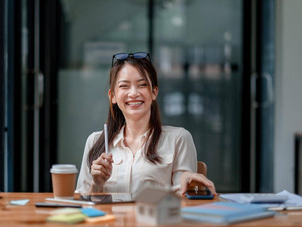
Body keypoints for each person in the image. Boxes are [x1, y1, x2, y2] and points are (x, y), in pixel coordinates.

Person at [75, 52, 216, 196]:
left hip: (156, 218)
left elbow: (184, 202)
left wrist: (186, 184)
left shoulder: (179, 139)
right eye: (124, 86)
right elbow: (82, 204)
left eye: (142, 85)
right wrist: (97, 184)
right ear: (113, 96)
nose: (133, 93)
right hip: (109, 219)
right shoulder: (95, 142)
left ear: (154, 92)